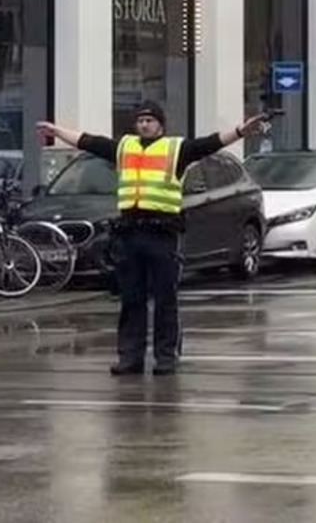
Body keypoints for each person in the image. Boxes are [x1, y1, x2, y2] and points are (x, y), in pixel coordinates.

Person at [37, 102, 268, 377]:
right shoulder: (124, 148)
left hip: (163, 234)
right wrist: (57, 131)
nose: (144, 124)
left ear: (160, 125)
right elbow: (89, 142)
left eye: (149, 120)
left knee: (165, 299)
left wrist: (240, 131)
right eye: (140, 120)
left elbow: (209, 144)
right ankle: (130, 358)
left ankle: (165, 357)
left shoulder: (175, 149)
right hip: (130, 233)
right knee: (131, 300)